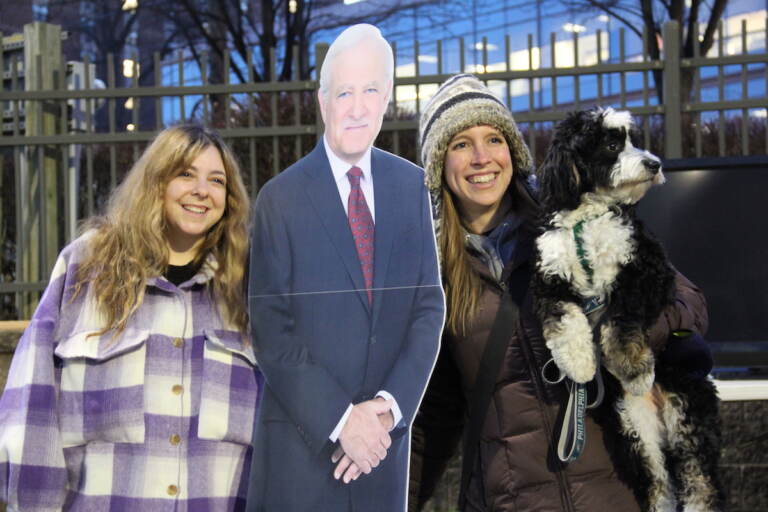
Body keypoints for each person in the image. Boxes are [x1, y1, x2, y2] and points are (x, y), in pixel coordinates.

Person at [408, 74, 711, 512]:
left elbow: (689, 302)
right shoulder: (431, 273)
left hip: (616, 492)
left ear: (512, 151)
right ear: (439, 163)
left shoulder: (583, 223)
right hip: (511, 501)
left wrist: (628, 333)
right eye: (460, 144)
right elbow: (434, 412)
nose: (481, 158)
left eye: (494, 139)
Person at [0, 124, 260, 511]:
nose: (201, 190)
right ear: (155, 182)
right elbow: (32, 399)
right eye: (185, 173)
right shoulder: (87, 267)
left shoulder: (249, 282)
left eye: (216, 180)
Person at [246, 24, 445, 512]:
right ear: (322, 101)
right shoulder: (279, 198)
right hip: (302, 454)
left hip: (381, 454)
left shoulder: (413, 188)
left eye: (371, 90)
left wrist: (387, 412)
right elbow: (271, 330)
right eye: (345, 93)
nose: (357, 108)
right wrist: (341, 421)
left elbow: (427, 306)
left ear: (387, 99)